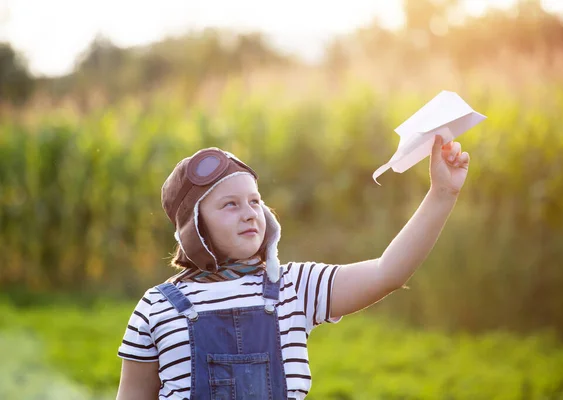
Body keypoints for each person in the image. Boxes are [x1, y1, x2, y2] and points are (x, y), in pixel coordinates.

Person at [116, 136, 470, 400]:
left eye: (255, 201)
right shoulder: (156, 307)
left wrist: (442, 193)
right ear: (194, 226)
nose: (249, 212)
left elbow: (387, 273)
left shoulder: (293, 287)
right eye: (230, 204)